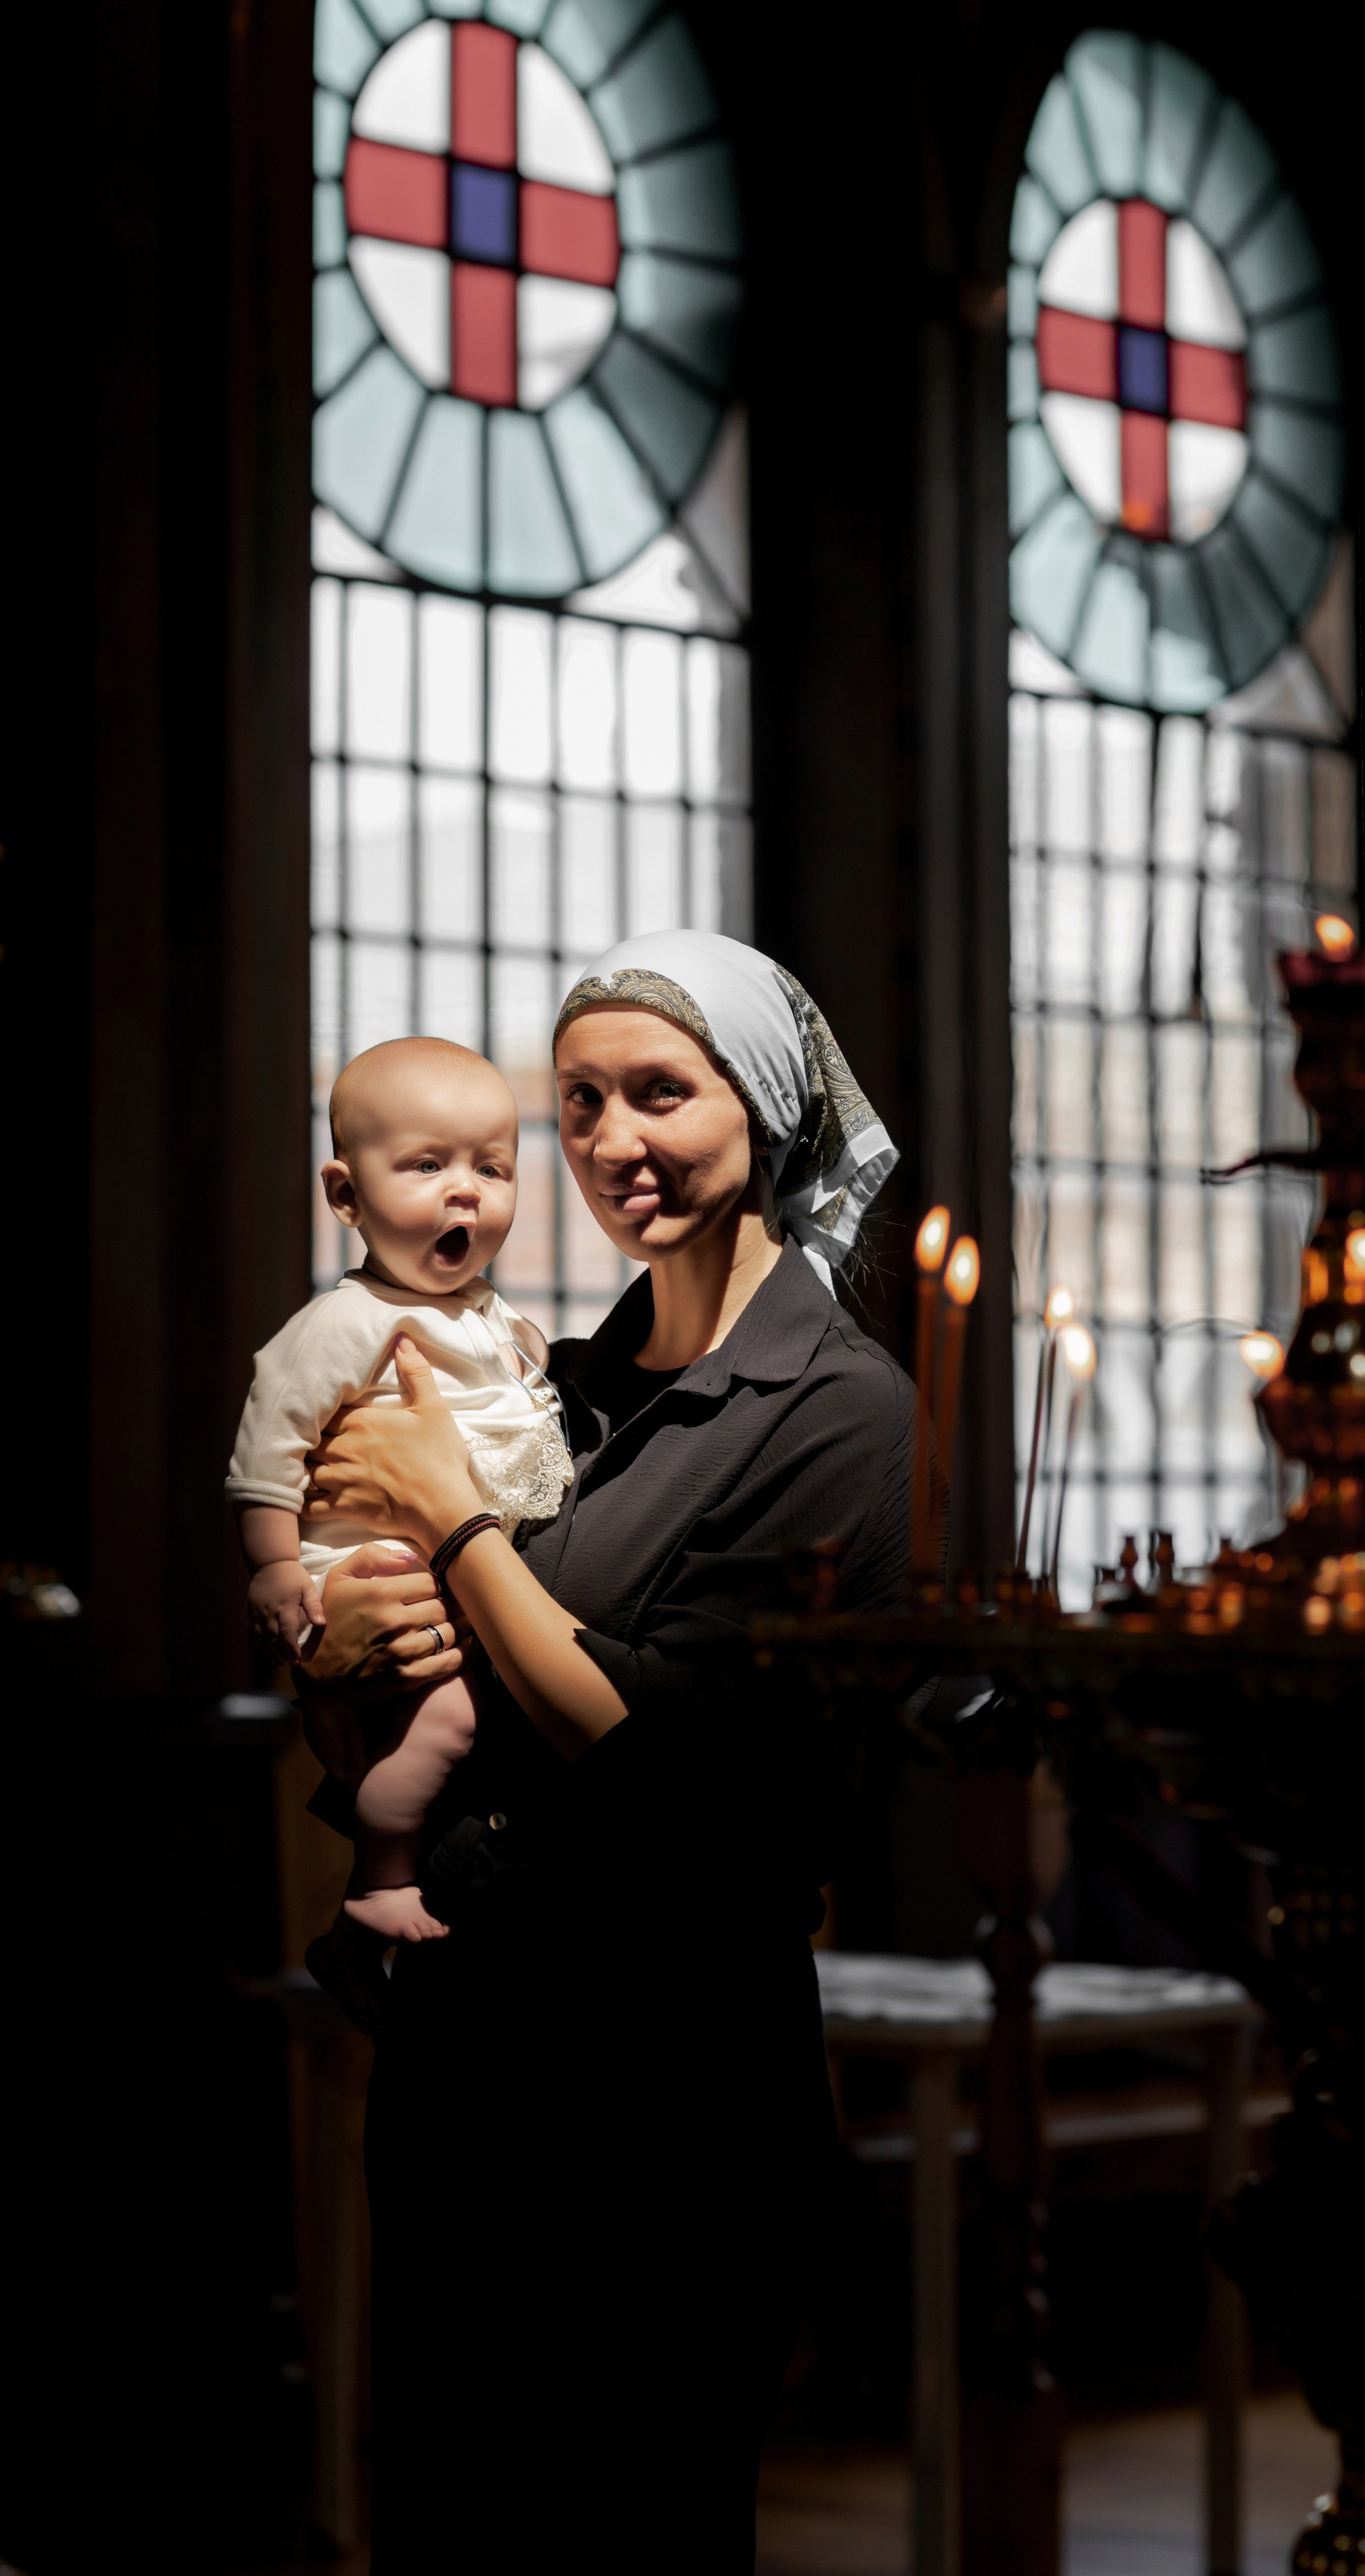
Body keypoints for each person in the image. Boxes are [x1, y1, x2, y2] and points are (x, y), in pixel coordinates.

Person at [298, 930, 914, 2569]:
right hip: (468, 2059)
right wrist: (337, 1641)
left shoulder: (840, 1410)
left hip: (671, 2088)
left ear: (764, 1110)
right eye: (578, 1103)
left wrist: (454, 1526)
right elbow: (429, 1671)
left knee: (634, 2527)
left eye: (662, 1093)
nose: (611, 1142)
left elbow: (673, 1761)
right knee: (448, 2526)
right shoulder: (545, 1389)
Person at [227, 1036, 571, 1941]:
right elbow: (270, 1448)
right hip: (374, 1571)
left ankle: (379, 1893)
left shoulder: (488, 1313)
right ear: (345, 1194)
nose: (468, 1189)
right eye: (428, 1164)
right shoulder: (344, 1323)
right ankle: (378, 1876)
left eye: (492, 1168)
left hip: (461, 1569)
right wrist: (273, 1568)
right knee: (450, 1722)